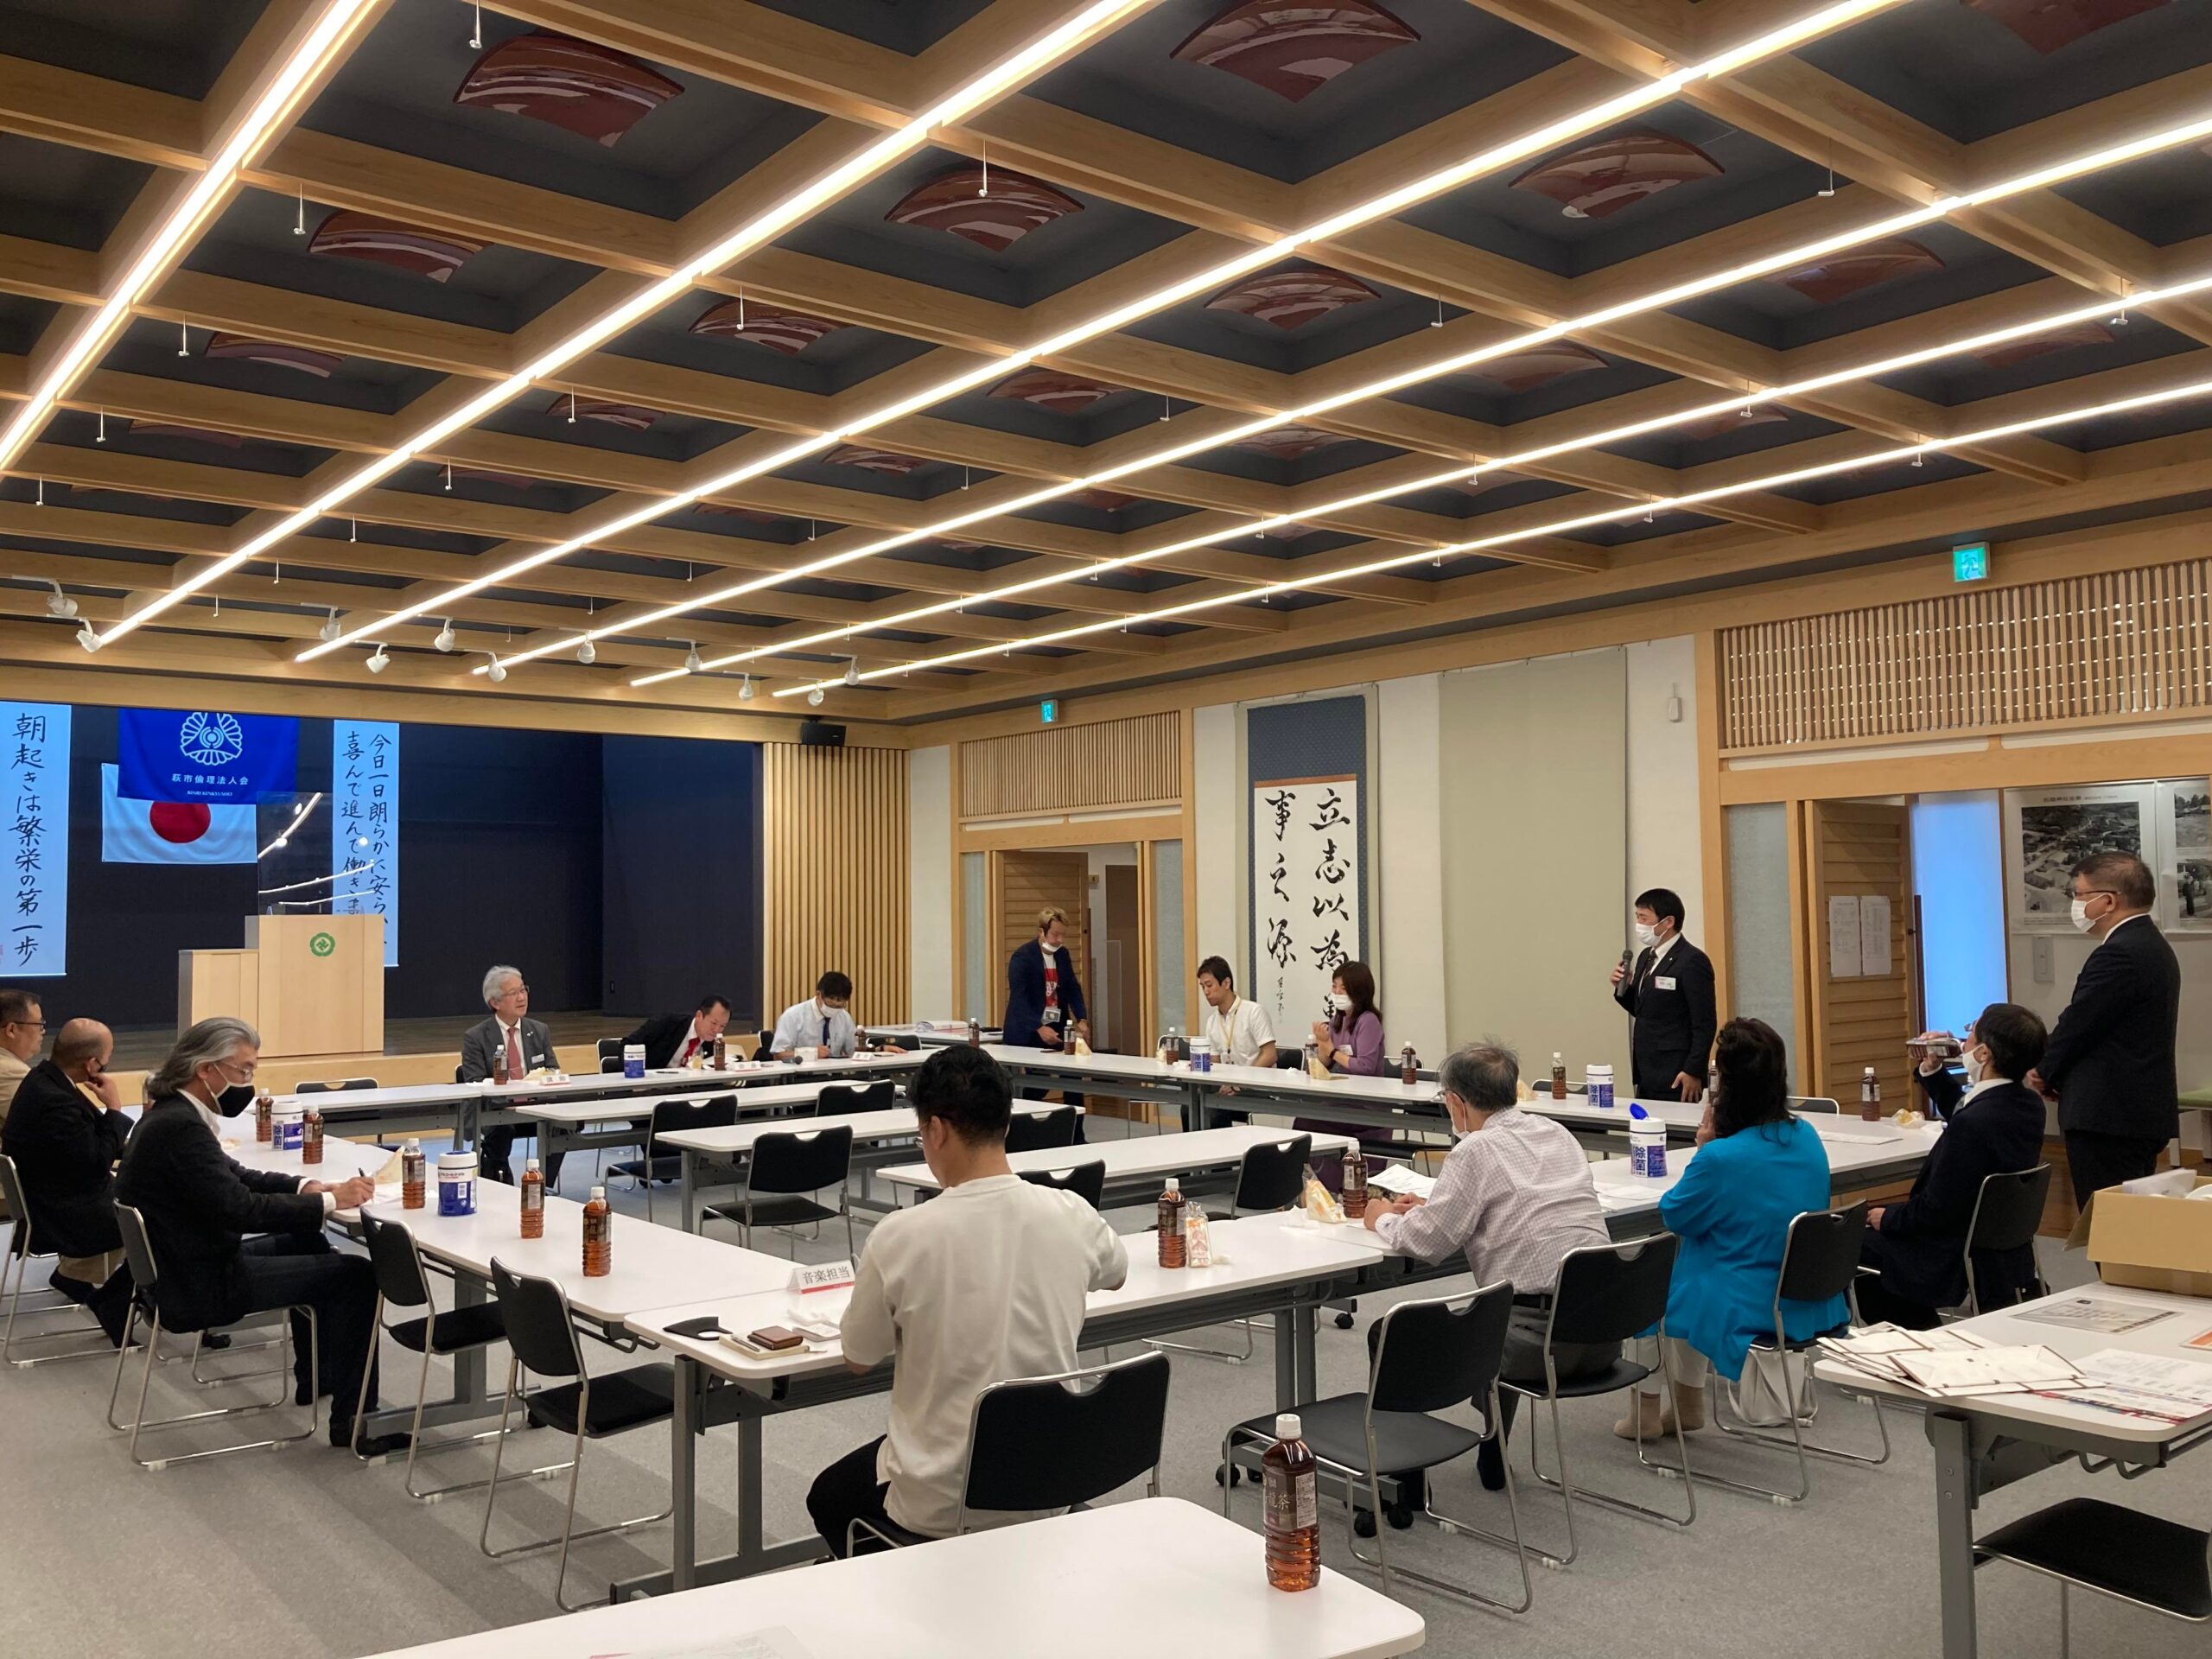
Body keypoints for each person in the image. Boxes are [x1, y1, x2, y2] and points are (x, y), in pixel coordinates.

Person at [806, 1046, 1127, 1554]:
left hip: (944, 1498)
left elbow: (859, 1357)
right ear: (1006, 1123)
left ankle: (914, 1580)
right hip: (1052, 1476)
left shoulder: (901, 1235)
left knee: (828, 1496)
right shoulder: (1072, 1211)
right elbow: (1116, 1274)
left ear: (936, 1130)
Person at [112, 1018, 404, 1455]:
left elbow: (235, 1175)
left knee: (304, 1237)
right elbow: (241, 1209)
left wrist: (307, 1188)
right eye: (243, 1070)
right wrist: (330, 1202)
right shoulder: (179, 1127)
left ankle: (317, 1378)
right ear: (206, 1069)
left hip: (179, 1265)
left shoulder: (167, 1114)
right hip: (199, 1283)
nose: (248, 1081)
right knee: (357, 1276)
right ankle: (357, 1422)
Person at [1363, 1042, 1614, 1491]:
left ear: (1456, 1102)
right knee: (1503, 1305)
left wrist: (1380, 1216)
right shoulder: (1556, 1132)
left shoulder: (1474, 1150)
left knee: (1394, 1331)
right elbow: (1515, 1204)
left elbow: (1428, 1242)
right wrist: (1437, 1206)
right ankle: (1492, 1452)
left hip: (1534, 1348)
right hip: (1602, 1335)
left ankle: (1404, 1481)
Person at [1618, 1018, 1847, 1439]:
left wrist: (1704, 1147)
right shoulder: (1806, 1135)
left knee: (1651, 1283)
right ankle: (1687, 1404)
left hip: (1748, 1301)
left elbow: (1675, 1215)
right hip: (1811, 1295)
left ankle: (1644, 1412)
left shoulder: (1721, 1157)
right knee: (1690, 1270)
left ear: (1725, 1086)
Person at [1857, 1006, 2050, 1328]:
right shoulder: (2028, 1105)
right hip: (1997, 1240)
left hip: (1949, 1244)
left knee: (1856, 1245)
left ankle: (1921, 1332)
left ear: (1984, 1053)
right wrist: (1933, 1071)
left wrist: (1888, 1217)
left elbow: (1936, 1209)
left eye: (1971, 1031)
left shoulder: (1974, 1123)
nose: (1963, 1039)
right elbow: (1971, 1114)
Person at [2029, 852, 2182, 1206]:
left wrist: (2044, 1070)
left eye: (2079, 894)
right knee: (2129, 1222)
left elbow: (2080, 1024)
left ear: (2108, 901)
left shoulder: (2119, 953)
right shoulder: (2152, 944)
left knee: (2107, 1222)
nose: (2075, 904)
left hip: (2108, 1116)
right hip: (2134, 1111)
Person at [1, 1018, 134, 1344]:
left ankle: (82, 1280)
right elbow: (97, 1162)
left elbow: (90, 1143)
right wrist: (115, 1109)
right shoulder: (54, 1099)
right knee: (163, 1217)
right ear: (92, 1064)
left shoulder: (45, 1079)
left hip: (53, 1195)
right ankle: (112, 1300)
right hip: (62, 1212)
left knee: (152, 1197)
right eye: (107, 1057)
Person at [1609, 887, 1717, 1102]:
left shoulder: (1692, 961)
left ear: (1668, 922)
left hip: (1677, 1072)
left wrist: (1693, 1069)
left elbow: (1704, 1022)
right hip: (1646, 1069)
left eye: (1644, 918)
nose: (1639, 924)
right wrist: (1623, 990)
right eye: (1637, 917)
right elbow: (1644, 1009)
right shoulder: (1645, 957)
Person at [460, 965, 556, 1183]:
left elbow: (553, 1070)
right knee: (501, 1129)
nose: (522, 997)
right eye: (513, 993)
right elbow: (474, 1082)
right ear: (495, 1002)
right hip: (495, 1109)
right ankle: (500, 1179)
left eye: (523, 990)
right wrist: (507, 1098)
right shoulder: (476, 1037)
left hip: (534, 1105)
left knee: (564, 1124)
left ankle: (543, 1183)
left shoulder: (539, 1030)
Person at [1001, 908, 1088, 1054]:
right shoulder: (1022, 957)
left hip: (1055, 1027)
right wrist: (1038, 1027)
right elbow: (1019, 998)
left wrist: (1082, 1019)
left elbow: (1072, 988)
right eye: (1055, 935)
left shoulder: (1062, 954)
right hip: (1027, 1031)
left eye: (1063, 935)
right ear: (1041, 932)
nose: (1060, 940)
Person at [0, 988, 43, 1223]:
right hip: (9, 1191)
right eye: (38, 1025)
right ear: (11, 1029)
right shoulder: (10, 1072)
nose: (42, 1032)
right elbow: (48, 1128)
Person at [1196, 957, 1275, 1068]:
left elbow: (1270, 1055)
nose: (1206, 991)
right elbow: (1215, 1062)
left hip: (1257, 1078)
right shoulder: (1212, 1022)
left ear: (1226, 983)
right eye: (1203, 987)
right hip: (1227, 1079)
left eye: (1209, 985)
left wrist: (1247, 1079)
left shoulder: (1254, 1012)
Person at [626, 994, 732, 1070]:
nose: (716, 1030)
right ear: (699, 1016)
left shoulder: (714, 1044)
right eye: (713, 1023)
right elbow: (627, 1044)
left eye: (722, 1026)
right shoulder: (667, 1024)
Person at [769, 973, 862, 1060]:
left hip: (834, 1070)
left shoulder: (844, 1017)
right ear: (818, 995)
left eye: (839, 1006)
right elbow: (778, 1055)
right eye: (830, 1005)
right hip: (801, 1071)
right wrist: (809, 1053)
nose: (834, 1009)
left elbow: (852, 1052)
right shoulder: (793, 1016)